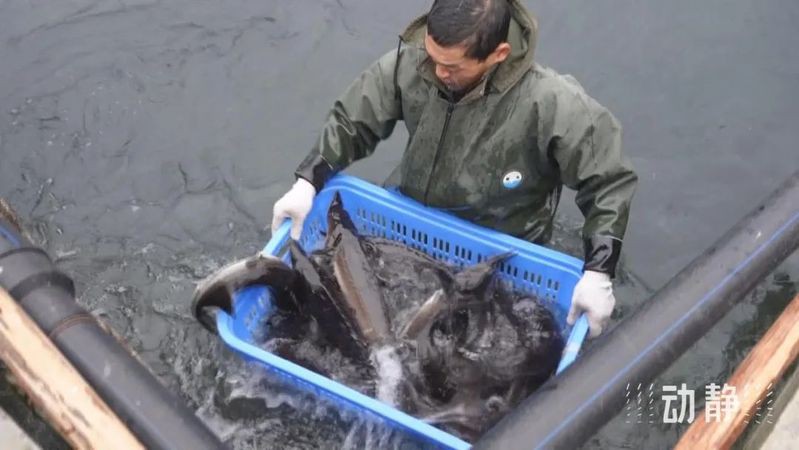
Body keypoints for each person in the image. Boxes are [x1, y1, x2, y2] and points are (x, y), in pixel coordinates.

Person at [270, 0, 637, 338]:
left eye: (451, 67)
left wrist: (599, 270)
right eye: (431, 56)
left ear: (498, 54)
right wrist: (308, 180)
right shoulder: (415, 61)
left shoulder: (554, 104)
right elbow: (353, 120)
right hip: (404, 227)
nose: (435, 70)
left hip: (501, 252)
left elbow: (608, 180)